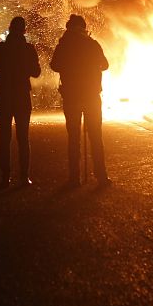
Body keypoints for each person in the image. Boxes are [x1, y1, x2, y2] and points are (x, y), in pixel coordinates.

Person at [50, 14, 111, 187]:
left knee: (74, 137)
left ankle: (74, 178)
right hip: (91, 95)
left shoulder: (64, 45)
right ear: (83, 28)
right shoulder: (92, 44)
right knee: (95, 136)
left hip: (71, 96)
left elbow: (54, 65)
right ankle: (101, 175)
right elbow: (105, 65)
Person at [0, 17, 41, 187]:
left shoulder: (0, 47)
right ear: (24, 31)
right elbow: (36, 72)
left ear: (9, 29)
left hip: (3, 96)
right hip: (22, 96)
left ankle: (5, 177)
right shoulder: (28, 48)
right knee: (23, 138)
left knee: (4, 138)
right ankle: (24, 177)